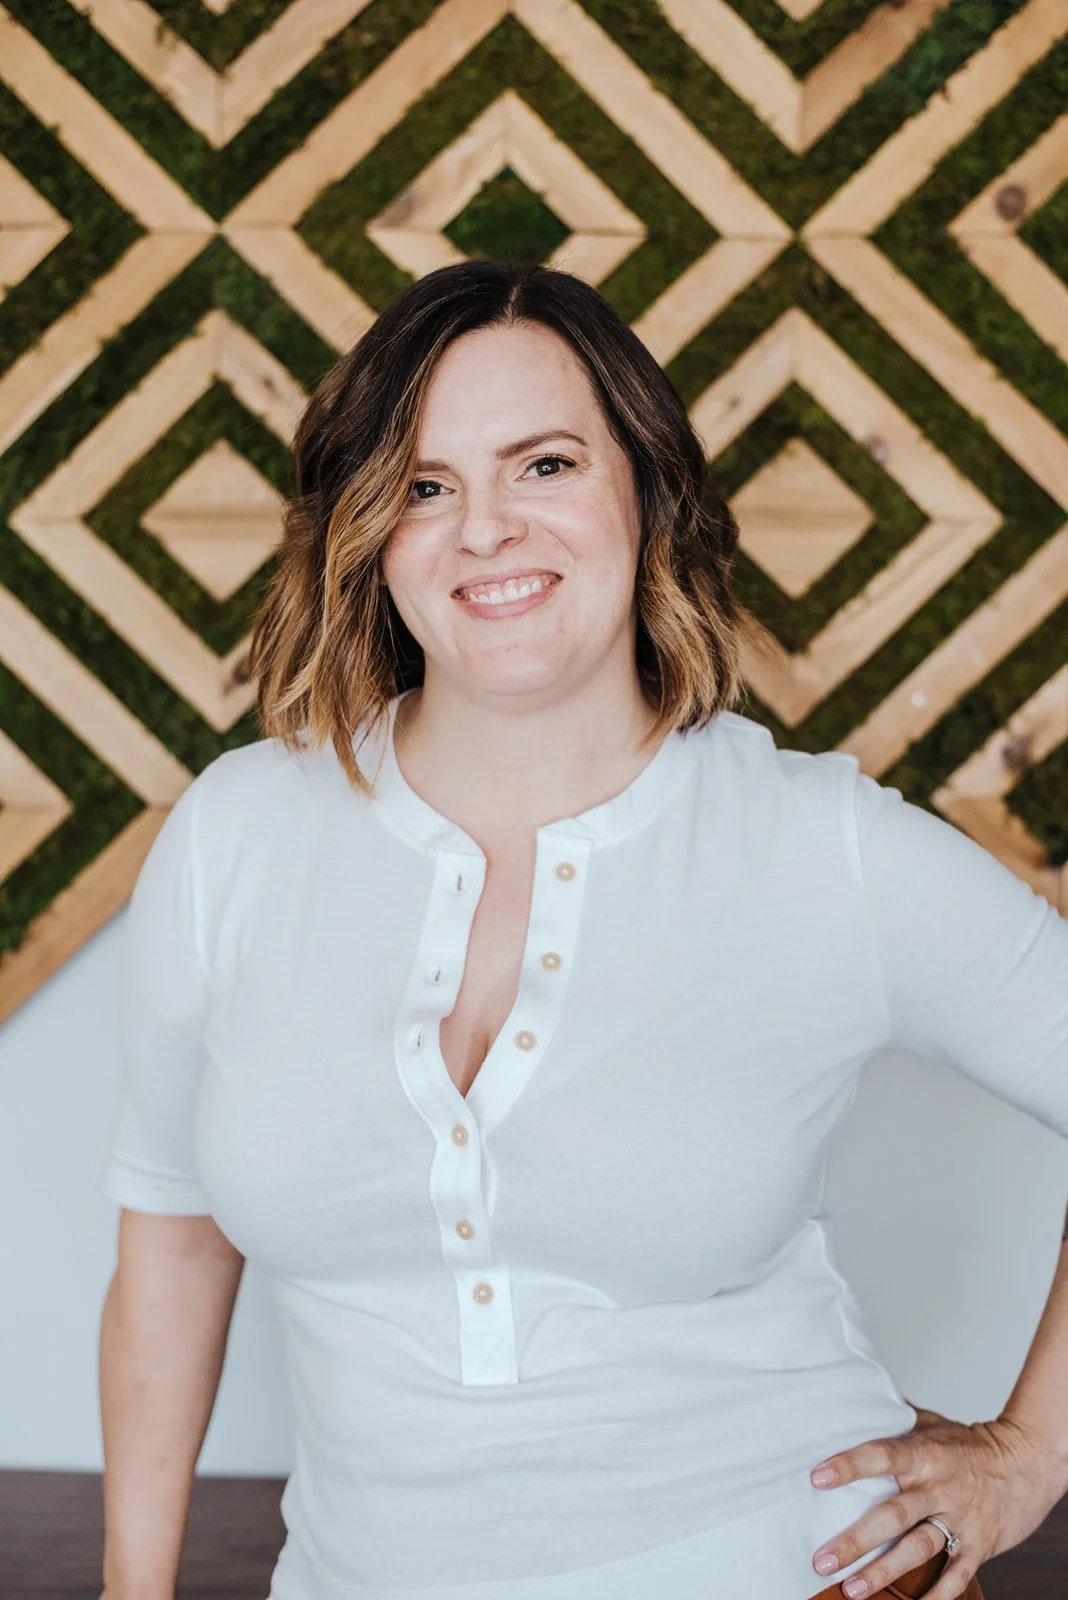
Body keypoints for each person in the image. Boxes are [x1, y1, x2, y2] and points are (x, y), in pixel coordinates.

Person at [99, 258, 1068, 1600]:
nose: (486, 530)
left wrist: (1031, 1455)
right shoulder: (237, 833)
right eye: (425, 487)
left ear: (648, 490)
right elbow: (172, 1231)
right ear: (370, 533)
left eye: (545, 466)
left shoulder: (821, 845)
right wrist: (131, 1590)